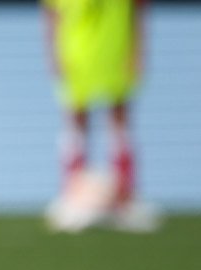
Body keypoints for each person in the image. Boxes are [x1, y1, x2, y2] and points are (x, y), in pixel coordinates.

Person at [43, 0, 159, 232]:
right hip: (76, 52)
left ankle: (125, 198)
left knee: (119, 119)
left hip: (116, 51)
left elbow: (138, 9)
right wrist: (54, 52)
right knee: (75, 118)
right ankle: (72, 196)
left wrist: (138, 49)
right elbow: (52, 13)